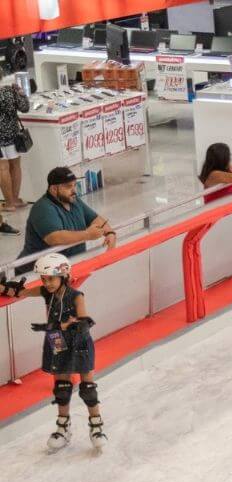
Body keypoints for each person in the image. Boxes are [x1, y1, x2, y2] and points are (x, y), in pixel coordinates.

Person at [1, 253, 107, 452]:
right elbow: (21, 292)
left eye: (51, 278)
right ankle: (63, 427)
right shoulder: (46, 293)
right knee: (62, 387)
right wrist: (6, 288)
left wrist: (58, 325)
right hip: (57, 342)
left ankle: (96, 427)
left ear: (63, 276)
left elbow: (83, 322)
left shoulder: (76, 296)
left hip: (79, 343)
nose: (47, 283)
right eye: (43, 278)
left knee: (87, 388)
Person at [20, 167, 116, 261]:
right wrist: (88, 234)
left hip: (70, 264)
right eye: (68, 186)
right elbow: (55, 238)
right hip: (38, 272)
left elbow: (95, 219)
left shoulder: (74, 200)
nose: (74, 190)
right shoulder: (43, 208)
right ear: (53, 189)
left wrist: (109, 233)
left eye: (74, 185)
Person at [0, 74, 26, 230]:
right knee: (15, 165)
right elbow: (25, 107)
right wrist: (21, 93)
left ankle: (9, 203)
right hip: (12, 133)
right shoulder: (11, 89)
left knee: (2, 168)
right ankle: (15, 199)